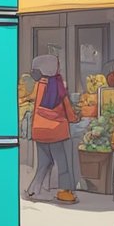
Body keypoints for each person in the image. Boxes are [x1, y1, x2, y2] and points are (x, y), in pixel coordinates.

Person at [26, 54, 81, 204]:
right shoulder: (57, 85)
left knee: (45, 162)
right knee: (62, 163)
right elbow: (67, 108)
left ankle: (33, 190)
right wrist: (74, 119)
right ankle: (64, 192)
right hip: (56, 132)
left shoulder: (39, 85)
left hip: (39, 130)